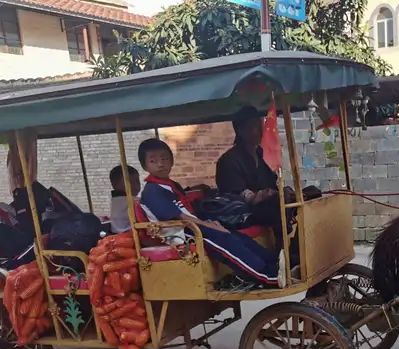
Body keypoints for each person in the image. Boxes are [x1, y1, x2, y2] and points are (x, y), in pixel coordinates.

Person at [136, 138, 283, 288]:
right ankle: (266, 276)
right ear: (145, 165)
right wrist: (209, 226)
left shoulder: (170, 185)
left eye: (164, 158)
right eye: (153, 161)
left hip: (189, 226)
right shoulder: (152, 190)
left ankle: (274, 262)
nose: (160, 164)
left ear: (172, 160)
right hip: (176, 233)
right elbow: (180, 216)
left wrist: (211, 223)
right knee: (224, 240)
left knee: (237, 236)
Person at [215, 106, 298, 264]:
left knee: (306, 195)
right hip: (242, 213)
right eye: (252, 127)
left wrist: (278, 191)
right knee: (280, 202)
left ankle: (295, 249)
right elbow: (235, 194)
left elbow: (271, 183)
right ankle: (280, 254)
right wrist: (258, 196)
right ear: (240, 130)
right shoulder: (229, 160)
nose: (258, 131)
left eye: (259, 126)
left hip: (265, 205)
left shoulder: (261, 154)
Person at [109, 165, 141, 234]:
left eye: (137, 181)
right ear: (114, 184)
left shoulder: (116, 200)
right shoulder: (125, 200)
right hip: (127, 235)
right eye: (130, 182)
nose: (136, 185)